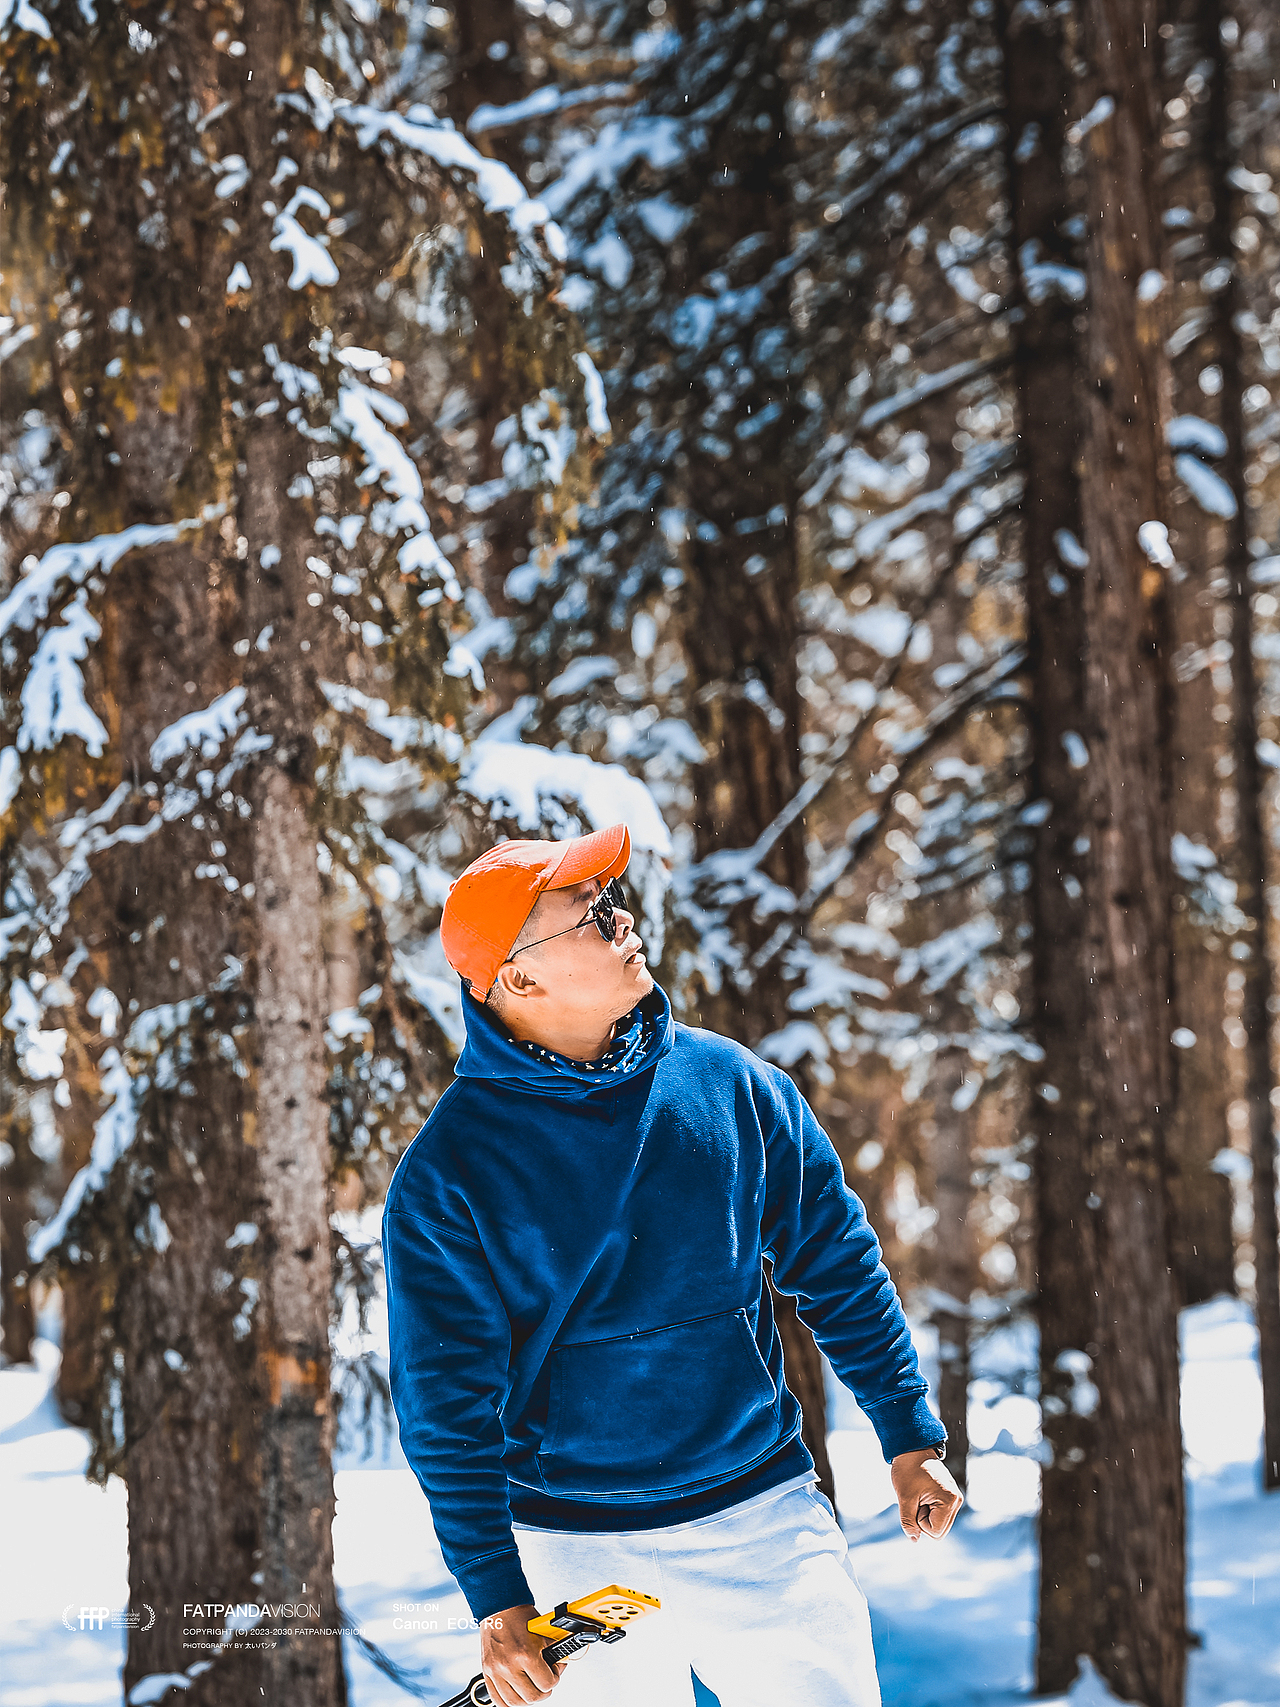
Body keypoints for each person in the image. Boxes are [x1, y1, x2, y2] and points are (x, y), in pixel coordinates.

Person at [383, 822, 963, 1707]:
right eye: (586, 913)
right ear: (518, 977)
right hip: (571, 1550)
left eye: (612, 899)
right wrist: (497, 1594)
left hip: (763, 1516)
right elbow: (444, 1398)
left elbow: (838, 1261)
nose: (619, 920)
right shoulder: (450, 1172)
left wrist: (908, 1431)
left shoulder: (732, 1086)